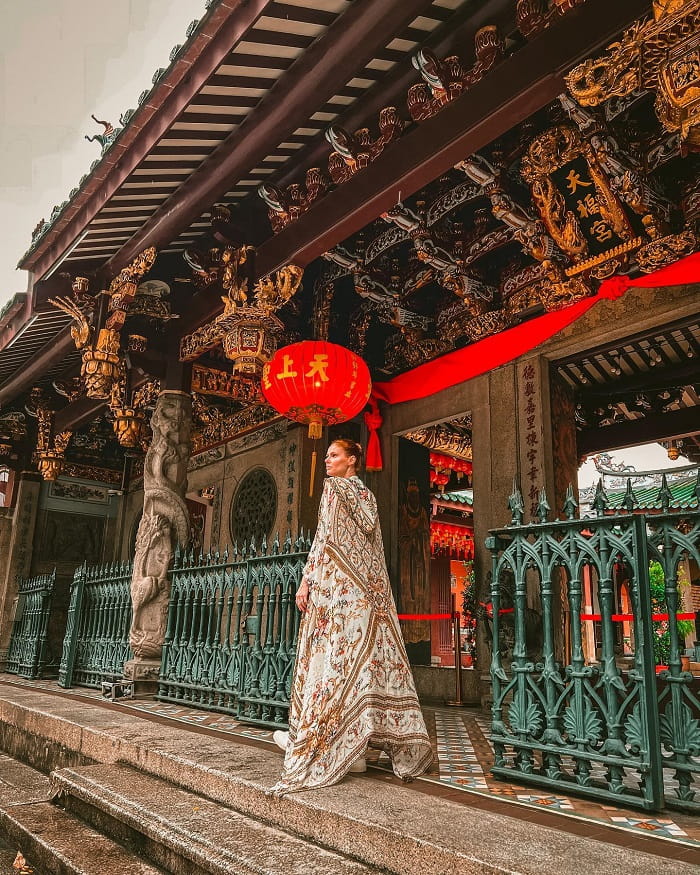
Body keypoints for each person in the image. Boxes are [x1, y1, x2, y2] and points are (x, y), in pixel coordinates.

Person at [271, 438, 433, 795]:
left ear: (352, 460)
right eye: (327, 456)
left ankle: (327, 740)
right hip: (366, 595)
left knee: (332, 662)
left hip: (338, 592)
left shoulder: (334, 490)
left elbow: (324, 541)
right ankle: (356, 746)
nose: (327, 461)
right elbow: (370, 549)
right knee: (362, 667)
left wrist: (306, 582)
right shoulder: (368, 497)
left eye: (334, 455)